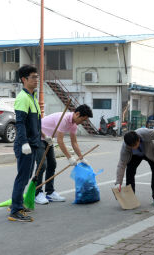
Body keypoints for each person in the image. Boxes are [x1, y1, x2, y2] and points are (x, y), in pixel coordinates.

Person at [34, 104, 93, 205]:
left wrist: (81, 158)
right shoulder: (64, 119)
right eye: (83, 119)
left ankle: (50, 192)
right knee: (42, 165)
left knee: (52, 164)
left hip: (48, 139)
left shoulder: (74, 124)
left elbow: (74, 142)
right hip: (39, 136)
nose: (83, 122)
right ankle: (37, 193)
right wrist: (70, 158)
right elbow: (60, 141)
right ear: (77, 114)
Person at [8, 65, 41, 222]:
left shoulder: (32, 97)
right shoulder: (22, 98)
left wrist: (44, 136)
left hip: (33, 143)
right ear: (24, 79)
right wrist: (23, 143)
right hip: (25, 145)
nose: (36, 80)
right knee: (22, 177)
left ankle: (18, 204)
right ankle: (15, 210)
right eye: (33, 77)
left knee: (27, 176)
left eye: (37, 77)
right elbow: (20, 123)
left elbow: (36, 123)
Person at [115, 128, 154, 203]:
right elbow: (121, 164)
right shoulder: (126, 147)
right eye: (132, 146)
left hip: (150, 151)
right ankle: (131, 198)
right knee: (130, 172)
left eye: (135, 145)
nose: (134, 147)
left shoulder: (146, 133)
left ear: (138, 139)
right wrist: (118, 182)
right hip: (135, 156)